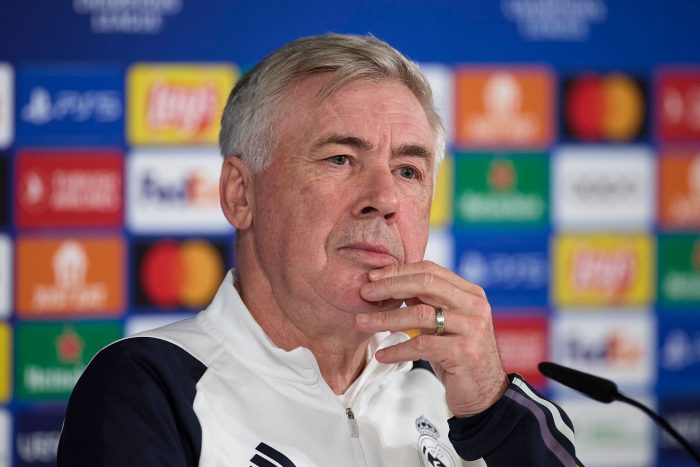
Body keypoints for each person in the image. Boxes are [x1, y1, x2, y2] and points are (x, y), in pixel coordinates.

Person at [58, 33, 581, 466]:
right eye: (340, 159)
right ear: (241, 194)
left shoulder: (466, 399)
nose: (383, 199)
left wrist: (492, 408)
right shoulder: (151, 385)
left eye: (408, 171)